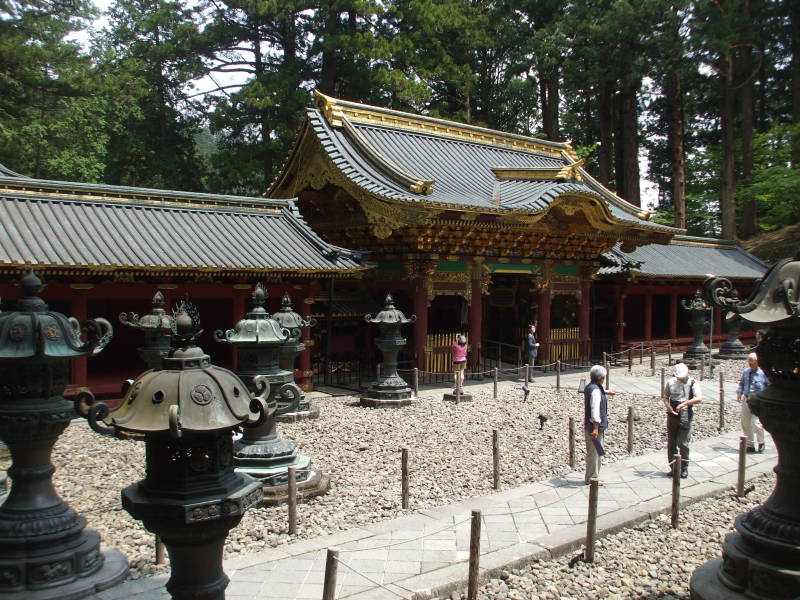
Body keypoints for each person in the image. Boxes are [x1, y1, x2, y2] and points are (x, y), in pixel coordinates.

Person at [662, 362, 702, 478]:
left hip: (686, 414)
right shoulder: (670, 383)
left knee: (683, 443)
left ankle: (684, 466)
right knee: (671, 443)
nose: (680, 379)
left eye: (682, 377)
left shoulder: (693, 383)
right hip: (672, 414)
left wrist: (685, 403)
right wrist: (668, 406)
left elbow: (699, 398)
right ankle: (674, 467)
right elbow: (665, 397)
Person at [584, 364, 616, 485]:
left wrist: (607, 392)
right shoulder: (595, 391)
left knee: (596, 450)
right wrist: (596, 428)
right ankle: (592, 478)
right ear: (601, 378)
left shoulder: (590, 387)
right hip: (594, 427)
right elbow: (595, 410)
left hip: (589, 425)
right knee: (594, 452)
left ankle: (594, 475)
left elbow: (597, 392)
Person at [736, 352, 769, 453]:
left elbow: (769, 386)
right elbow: (742, 382)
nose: (749, 363)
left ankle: (761, 442)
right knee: (745, 422)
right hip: (747, 398)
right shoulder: (746, 371)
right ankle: (750, 444)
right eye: (748, 360)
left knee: (755, 423)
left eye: (752, 360)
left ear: (757, 361)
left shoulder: (763, 373)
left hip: (758, 400)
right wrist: (739, 392)